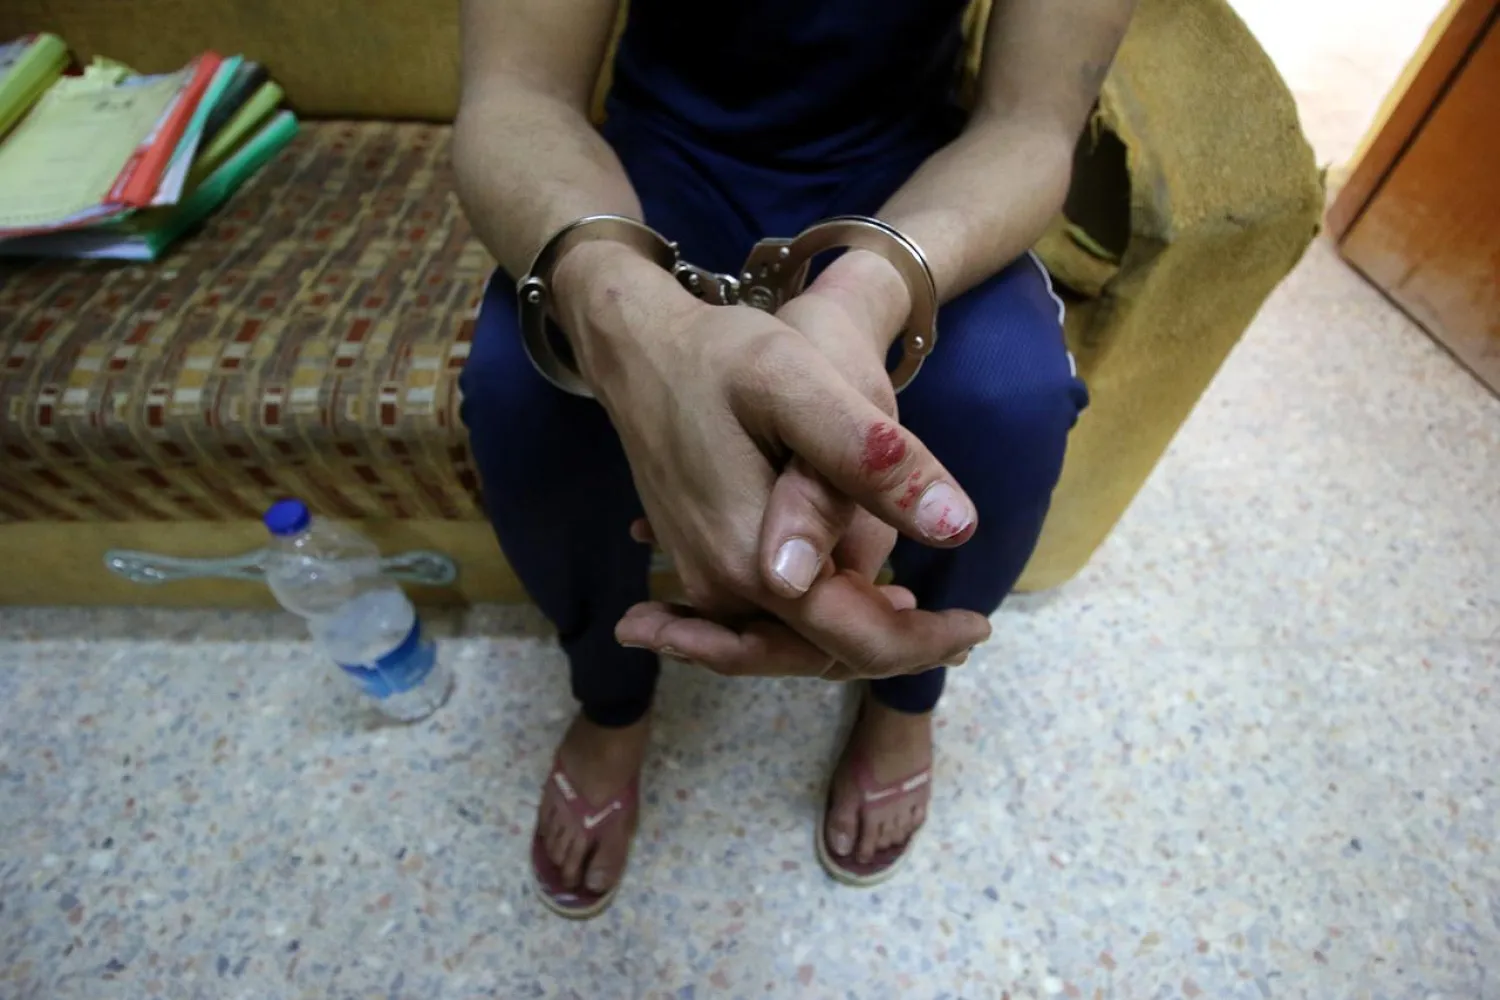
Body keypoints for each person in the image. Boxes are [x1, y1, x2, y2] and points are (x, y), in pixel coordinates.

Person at [453, 0, 1133, 917]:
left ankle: (907, 689)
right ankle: (610, 696)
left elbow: (1030, 124)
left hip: (916, 185)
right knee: (517, 396)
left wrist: (865, 294)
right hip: (646, 175)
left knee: (1011, 398)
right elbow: (516, 96)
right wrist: (622, 313)